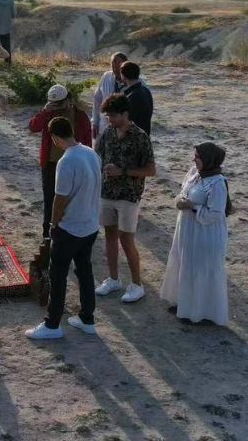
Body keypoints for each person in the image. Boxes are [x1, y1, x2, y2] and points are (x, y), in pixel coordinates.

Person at [25, 117, 102, 341]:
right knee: (85, 271)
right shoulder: (90, 153)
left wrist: (53, 224)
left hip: (70, 227)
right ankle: (87, 318)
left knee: (57, 275)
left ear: (54, 137)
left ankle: (52, 323)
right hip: (90, 224)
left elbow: (60, 199)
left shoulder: (66, 161)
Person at [93, 93, 157, 304]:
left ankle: (137, 285)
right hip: (106, 193)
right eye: (108, 116)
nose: (110, 119)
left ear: (125, 114)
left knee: (126, 240)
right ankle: (113, 279)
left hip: (129, 196)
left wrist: (122, 171)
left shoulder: (140, 137)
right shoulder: (108, 133)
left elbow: (150, 170)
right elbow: (97, 156)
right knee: (110, 235)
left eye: (113, 115)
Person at [160, 143, 230, 326]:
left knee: (200, 268)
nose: (194, 159)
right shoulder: (194, 173)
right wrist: (180, 200)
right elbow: (183, 192)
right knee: (185, 264)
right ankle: (184, 304)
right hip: (187, 230)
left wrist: (192, 206)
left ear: (208, 159)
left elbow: (215, 214)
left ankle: (199, 312)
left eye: (198, 156)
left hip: (205, 234)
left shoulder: (218, 183)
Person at [29, 84, 93, 239]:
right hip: (51, 164)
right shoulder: (48, 114)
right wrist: (45, 112)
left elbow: (87, 141)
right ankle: (48, 233)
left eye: (59, 103)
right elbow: (33, 127)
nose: (56, 106)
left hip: (74, 164)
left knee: (72, 200)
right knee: (50, 199)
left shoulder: (80, 116)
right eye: (54, 103)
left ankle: (69, 231)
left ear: (68, 100)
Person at [91, 52, 128, 144]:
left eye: (118, 62)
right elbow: (97, 100)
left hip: (122, 125)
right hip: (104, 124)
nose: (115, 65)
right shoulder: (106, 76)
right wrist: (95, 122)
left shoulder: (132, 80)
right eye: (113, 62)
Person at [119, 61, 154, 136]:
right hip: (145, 135)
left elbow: (126, 123)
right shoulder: (146, 91)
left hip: (134, 138)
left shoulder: (131, 97)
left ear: (123, 75)